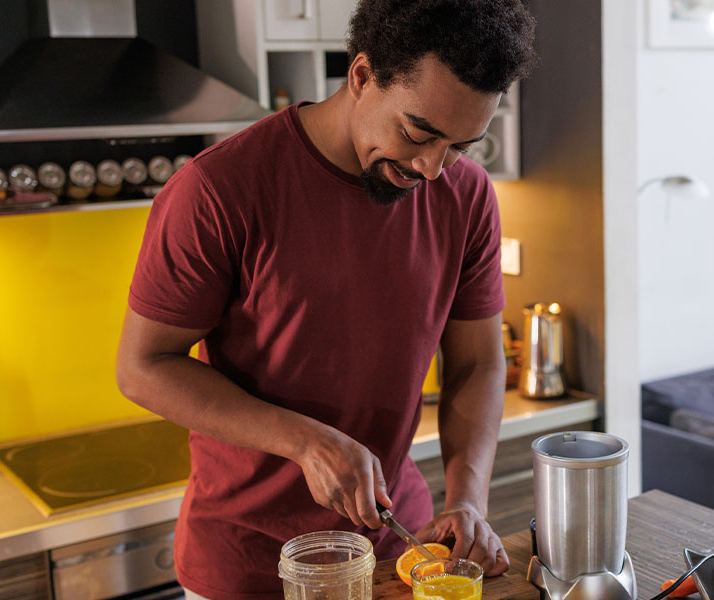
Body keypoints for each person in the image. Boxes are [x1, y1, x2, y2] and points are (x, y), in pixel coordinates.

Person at [114, 1, 536, 598]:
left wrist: (467, 500)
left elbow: (477, 362)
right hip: (250, 563)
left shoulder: (466, 197)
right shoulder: (218, 190)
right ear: (362, 75)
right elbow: (142, 368)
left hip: (395, 550)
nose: (433, 168)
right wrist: (306, 440)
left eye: (462, 146)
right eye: (419, 132)